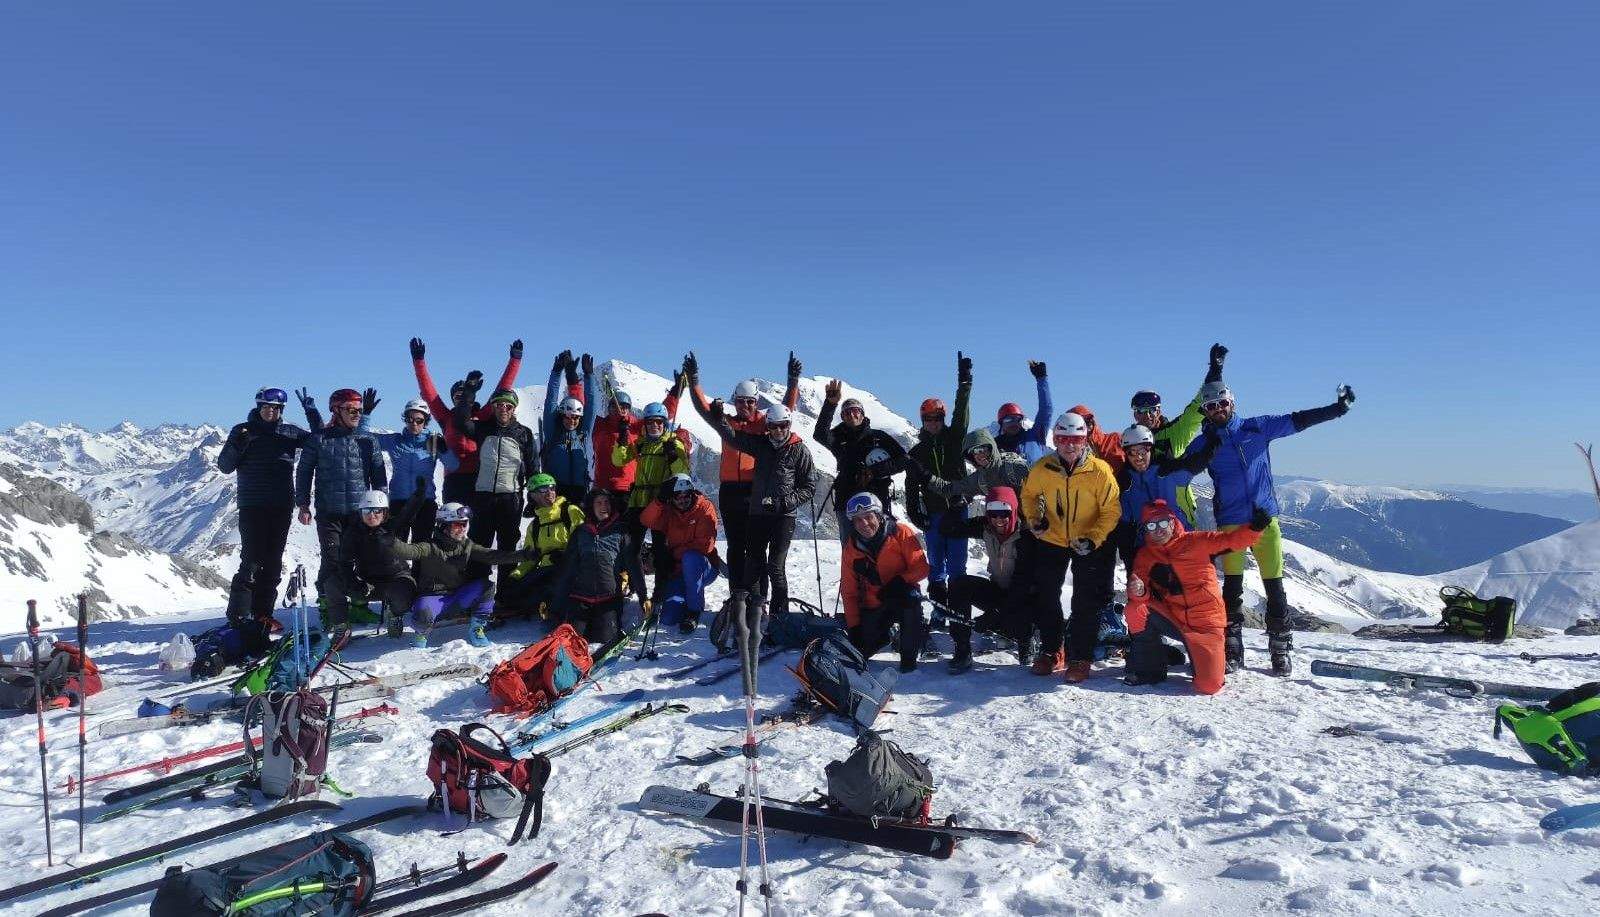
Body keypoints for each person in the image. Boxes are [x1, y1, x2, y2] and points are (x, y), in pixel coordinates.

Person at [1179, 355, 1356, 676]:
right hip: (1231, 524)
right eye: (1211, 407)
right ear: (1205, 412)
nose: (1218, 410)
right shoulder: (1204, 442)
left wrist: (1337, 409)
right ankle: (1231, 647)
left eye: (1222, 404)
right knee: (1231, 589)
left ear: (1232, 403)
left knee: (1274, 587)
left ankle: (1280, 648)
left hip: (1265, 522)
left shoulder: (1256, 428)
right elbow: (1179, 474)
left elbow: (1298, 420)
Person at [684, 350, 801, 598]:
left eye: (750, 401)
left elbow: (787, 409)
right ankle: (737, 595)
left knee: (756, 549)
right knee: (736, 548)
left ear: (756, 402)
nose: (745, 405)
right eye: (740, 401)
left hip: (756, 491)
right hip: (730, 492)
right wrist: (694, 379)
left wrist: (792, 382)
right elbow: (701, 407)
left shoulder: (765, 423)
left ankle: (758, 599)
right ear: (734, 401)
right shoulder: (725, 421)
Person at [1124, 500, 1270, 694]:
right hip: (1175, 619)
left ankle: (1200, 658)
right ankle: (1151, 670)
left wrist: (1255, 528)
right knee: (1135, 610)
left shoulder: (1198, 541)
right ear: (1146, 530)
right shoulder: (1145, 555)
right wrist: (1139, 591)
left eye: (1163, 523)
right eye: (1151, 525)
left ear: (1173, 521)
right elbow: (1137, 591)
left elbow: (1232, 541)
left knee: (1209, 685)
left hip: (1206, 624)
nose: (1158, 529)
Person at [1019, 411, 1120, 682]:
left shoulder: (1099, 471)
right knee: (1046, 594)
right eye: (1063, 439)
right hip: (1052, 539)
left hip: (1086, 540)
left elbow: (1111, 510)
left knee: (1085, 600)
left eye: (1075, 439)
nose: (1069, 444)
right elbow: (1028, 495)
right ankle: (1053, 650)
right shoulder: (1043, 468)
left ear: (1085, 440)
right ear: (1055, 439)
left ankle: (1080, 656)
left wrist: (1094, 539)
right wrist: (1034, 519)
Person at [216, 387, 323, 642]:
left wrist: (312, 412)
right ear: (258, 407)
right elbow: (224, 466)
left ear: (281, 411)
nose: (270, 411)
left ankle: (262, 614)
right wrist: (236, 445)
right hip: (252, 505)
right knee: (251, 561)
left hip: (281, 505)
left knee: (273, 563)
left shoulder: (289, 432)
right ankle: (239, 616)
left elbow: (320, 441)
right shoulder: (243, 431)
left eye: (275, 408)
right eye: (266, 407)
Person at [701, 398, 815, 617]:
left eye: (783, 425)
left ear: (789, 425)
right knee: (753, 562)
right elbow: (734, 438)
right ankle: (755, 611)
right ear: (768, 427)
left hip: (784, 516)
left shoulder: (799, 450)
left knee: (775, 567)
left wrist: (784, 502)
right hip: (758, 513)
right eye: (773, 426)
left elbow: (809, 486)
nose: (779, 430)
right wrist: (719, 420)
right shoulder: (761, 445)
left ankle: (779, 616)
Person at [295, 388, 387, 628]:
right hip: (329, 513)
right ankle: (329, 609)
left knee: (361, 558)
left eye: (359, 410)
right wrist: (303, 504)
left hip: (361, 513)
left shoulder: (368, 441)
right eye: (350, 410)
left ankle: (359, 606)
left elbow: (379, 475)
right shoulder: (319, 439)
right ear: (336, 411)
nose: (356, 414)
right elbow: (303, 472)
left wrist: (381, 506)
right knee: (333, 560)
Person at [384, 502, 534, 648]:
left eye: (465, 524)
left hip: (458, 596)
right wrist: (392, 542)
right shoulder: (430, 547)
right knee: (422, 609)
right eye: (457, 524)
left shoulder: (466, 545)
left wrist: (523, 555)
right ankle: (421, 633)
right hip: (433, 599)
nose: (462, 529)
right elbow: (408, 551)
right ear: (443, 526)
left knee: (486, 587)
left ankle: (477, 628)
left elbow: (492, 556)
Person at [408, 337, 523, 504]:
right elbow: (429, 393)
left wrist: (515, 359)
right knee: (451, 525)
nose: (460, 399)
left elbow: (502, 391)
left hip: (481, 478)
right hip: (454, 479)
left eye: (463, 395)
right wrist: (419, 361)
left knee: (478, 527)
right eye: (456, 396)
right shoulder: (446, 417)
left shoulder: (482, 416)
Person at [905, 352, 974, 614]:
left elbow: (962, 413)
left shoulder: (955, 438)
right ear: (923, 421)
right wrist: (914, 512)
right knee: (936, 566)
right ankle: (939, 611)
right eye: (928, 419)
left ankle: (958, 611)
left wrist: (965, 384)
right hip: (933, 513)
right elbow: (912, 486)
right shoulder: (917, 452)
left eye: (937, 418)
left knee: (957, 566)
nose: (933, 423)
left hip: (958, 510)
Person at [453, 380, 540, 585]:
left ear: (514, 409)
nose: (503, 409)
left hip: (511, 498)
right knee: (479, 544)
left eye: (508, 406)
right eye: (499, 405)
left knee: (507, 546)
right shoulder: (483, 429)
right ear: (493, 407)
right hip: (483, 495)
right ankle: (475, 591)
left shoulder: (524, 434)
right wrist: (469, 393)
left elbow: (533, 468)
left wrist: (533, 499)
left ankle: (506, 595)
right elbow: (461, 422)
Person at [1126, 343, 1224, 523]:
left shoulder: (1174, 433)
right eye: (1141, 410)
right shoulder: (1128, 442)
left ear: (1159, 411)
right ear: (1135, 414)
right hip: (1144, 519)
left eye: (1152, 410)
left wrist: (1214, 374)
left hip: (1177, 514)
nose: (1147, 415)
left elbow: (1195, 410)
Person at [938, 486, 1029, 674]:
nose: (998, 520)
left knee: (1019, 622)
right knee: (959, 585)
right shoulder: (986, 527)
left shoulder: (1027, 536)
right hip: (998, 592)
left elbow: (1027, 584)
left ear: (1013, 510)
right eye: (993, 514)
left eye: (1004, 513)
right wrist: (956, 508)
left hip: (1024, 601)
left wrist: (995, 613)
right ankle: (962, 650)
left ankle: (1027, 640)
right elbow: (948, 529)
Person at [840, 493, 931, 673]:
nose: (864, 524)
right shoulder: (851, 548)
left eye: (868, 517)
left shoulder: (900, 532)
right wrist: (854, 627)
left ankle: (909, 655)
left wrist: (900, 582)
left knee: (910, 601)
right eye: (858, 520)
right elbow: (849, 591)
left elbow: (921, 567)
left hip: (902, 598)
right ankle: (886, 637)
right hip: (874, 605)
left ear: (879, 515)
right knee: (860, 650)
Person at [1114, 423, 1216, 581]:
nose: (1138, 457)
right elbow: (1126, 524)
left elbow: (1198, 461)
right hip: (1149, 550)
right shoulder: (1126, 483)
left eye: (1143, 451)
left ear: (1151, 449)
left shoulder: (1167, 471)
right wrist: (1130, 560)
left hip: (1181, 543)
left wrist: (1213, 433)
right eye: (1132, 452)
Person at [610, 399, 691, 587]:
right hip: (638, 500)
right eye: (650, 422)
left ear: (664, 423)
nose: (654, 425)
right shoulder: (641, 443)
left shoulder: (672, 443)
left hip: (661, 503)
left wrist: (672, 456)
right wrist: (622, 439)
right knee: (632, 548)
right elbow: (618, 460)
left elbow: (683, 472)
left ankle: (660, 593)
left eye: (658, 422)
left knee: (661, 549)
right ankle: (638, 587)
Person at [550, 490, 646, 647]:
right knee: (570, 642)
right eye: (599, 503)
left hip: (608, 599)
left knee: (604, 641)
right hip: (580, 598)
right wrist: (556, 607)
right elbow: (568, 570)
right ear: (591, 507)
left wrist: (643, 597)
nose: (604, 507)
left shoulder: (621, 532)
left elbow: (633, 565)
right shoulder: (580, 533)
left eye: (607, 502)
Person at [815, 380, 909, 538]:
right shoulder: (838, 437)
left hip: (877, 499)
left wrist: (875, 471)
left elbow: (904, 460)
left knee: (882, 548)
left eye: (855, 410)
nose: (851, 414)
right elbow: (820, 434)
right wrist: (830, 404)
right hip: (846, 499)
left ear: (863, 413)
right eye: (846, 412)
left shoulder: (878, 437)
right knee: (850, 549)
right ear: (842, 417)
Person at [640, 474, 723, 633]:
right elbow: (646, 520)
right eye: (678, 496)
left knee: (690, 558)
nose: (683, 500)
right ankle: (688, 596)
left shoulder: (704, 508)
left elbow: (704, 545)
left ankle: (694, 611)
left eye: (687, 495)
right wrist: (659, 501)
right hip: (678, 570)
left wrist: (673, 555)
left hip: (704, 567)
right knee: (668, 619)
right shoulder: (669, 511)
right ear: (672, 498)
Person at [498, 473, 586, 619]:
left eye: (552, 488)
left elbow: (584, 543)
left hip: (572, 568)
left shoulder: (570, 512)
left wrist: (566, 555)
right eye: (543, 490)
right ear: (533, 495)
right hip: (547, 570)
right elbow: (530, 558)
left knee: (554, 589)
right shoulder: (535, 525)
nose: (550, 493)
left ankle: (550, 607)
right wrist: (515, 576)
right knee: (512, 592)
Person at [343, 489, 426, 637]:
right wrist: (356, 584)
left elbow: (407, 513)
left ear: (385, 513)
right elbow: (344, 563)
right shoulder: (353, 533)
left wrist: (418, 496)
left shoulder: (394, 526)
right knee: (332, 582)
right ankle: (341, 626)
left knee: (403, 592)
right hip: (368, 584)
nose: (371, 515)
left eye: (377, 511)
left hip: (397, 578)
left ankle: (394, 615)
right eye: (367, 511)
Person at [374, 398, 457, 542]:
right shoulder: (395, 441)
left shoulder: (433, 442)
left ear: (425, 421)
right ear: (405, 420)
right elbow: (366, 438)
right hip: (399, 502)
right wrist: (366, 415)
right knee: (395, 551)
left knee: (422, 551)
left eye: (419, 420)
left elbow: (453, 465)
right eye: (410, 419)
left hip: (425, 503)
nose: (414, 423)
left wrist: (445, 450)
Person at [593, 370, 685, 499]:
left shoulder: (635, 426)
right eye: (615, 406)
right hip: (601, 487)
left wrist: (675, 392)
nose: (620, 410)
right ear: (608, 408)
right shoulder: (600, 425)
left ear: (629, 409)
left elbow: (660, 414)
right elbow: (588, 406)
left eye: (625, 407)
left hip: (628, 488)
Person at [541, 350, 597, 505]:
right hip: (555, 493)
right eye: (568, 416)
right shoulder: (553, 432)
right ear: (561, 415)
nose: (572, 420)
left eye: (576, 417)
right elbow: (550, 401)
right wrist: (557, 372)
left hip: (580, 493)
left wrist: (589, 376)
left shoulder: (582, 434)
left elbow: (591, 406)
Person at [992, 360, 1053, 463]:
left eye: (1018, 419)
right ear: (1001, 423)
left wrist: (1041, 379)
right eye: (1009, 419)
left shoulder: (1034, 437)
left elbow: (1046, 410)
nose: (1014, 423)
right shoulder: (994, 447)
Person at [1066, 405, 1125, 476]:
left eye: (1089, 419)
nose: (1088, 424)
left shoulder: (1115, 439)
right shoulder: (1072, 453)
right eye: (1082, 421)